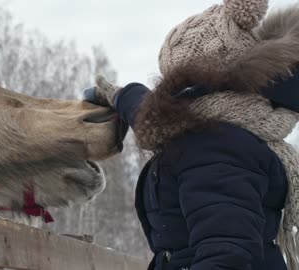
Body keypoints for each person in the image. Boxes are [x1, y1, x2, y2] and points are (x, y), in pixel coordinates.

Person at [85, 1, 299, 269]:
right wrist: (120, 95)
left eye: (176, 83)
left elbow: (226, 255)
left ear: (202, 86)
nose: (165, 96)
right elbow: (148, 111)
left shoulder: (216, 149)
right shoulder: (214, 127)